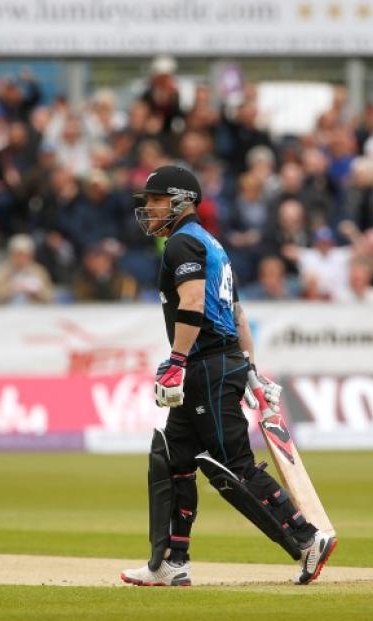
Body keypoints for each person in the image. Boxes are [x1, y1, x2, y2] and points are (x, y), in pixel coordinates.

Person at [121, 165, 336, 587]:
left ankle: (306, 538)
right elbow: (238, 313)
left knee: (231, 465)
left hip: (207, 366)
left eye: (156, 199)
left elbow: (194, 302)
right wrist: (252, 370)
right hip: (223, 362)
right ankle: (170, 561)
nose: (149, 209)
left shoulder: (182, 243)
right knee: (172, 458)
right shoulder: (211, 244)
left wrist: (177, 361)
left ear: (181, 200)